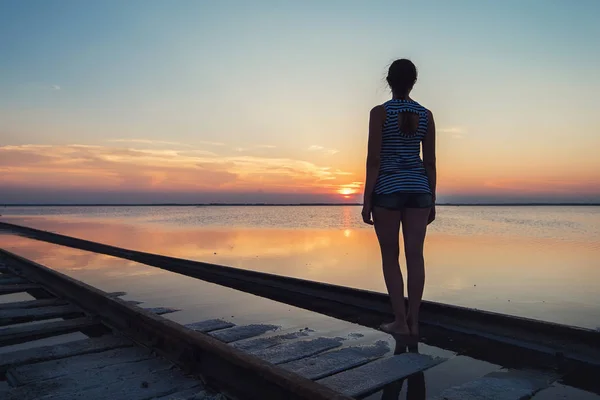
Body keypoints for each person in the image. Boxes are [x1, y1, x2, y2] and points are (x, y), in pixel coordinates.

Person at [361, 59, 436, 343]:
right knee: (415, 256)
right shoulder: (426, 115)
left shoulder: (380, 113)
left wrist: (367, 199)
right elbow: (429, 161)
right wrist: (432, 198)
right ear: (413, 81)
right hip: (419, 190)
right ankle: (414, 323)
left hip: (388, 191)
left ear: (389, 81)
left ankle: (400, 322)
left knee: (390, 257)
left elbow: (374, 160)